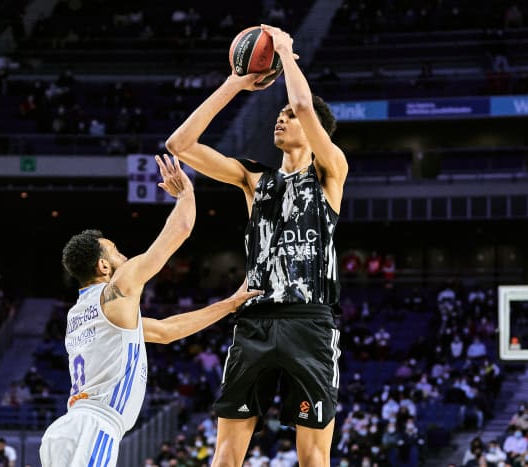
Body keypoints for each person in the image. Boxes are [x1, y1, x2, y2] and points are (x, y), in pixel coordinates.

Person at [166, 23, 348, 467]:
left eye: (287, 115)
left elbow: (304, 103)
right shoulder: (253, 178)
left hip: (311, 322)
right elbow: (180, 144)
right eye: (277, 114)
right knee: (226, 456)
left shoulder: (330, 172)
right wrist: (235, 82)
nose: (280, 117)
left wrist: (284, 52)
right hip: (254, 320)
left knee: (313, 458)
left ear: (316, 131)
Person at [39, 155, 261, 467]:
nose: (124, 256)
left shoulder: (79, 312)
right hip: (93, 426)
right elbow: (180, 230)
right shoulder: (117, 289)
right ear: (103, 266)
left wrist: (230, 304)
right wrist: (185, 194)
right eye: (116, 252)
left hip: (67, 430)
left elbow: (167, 332)